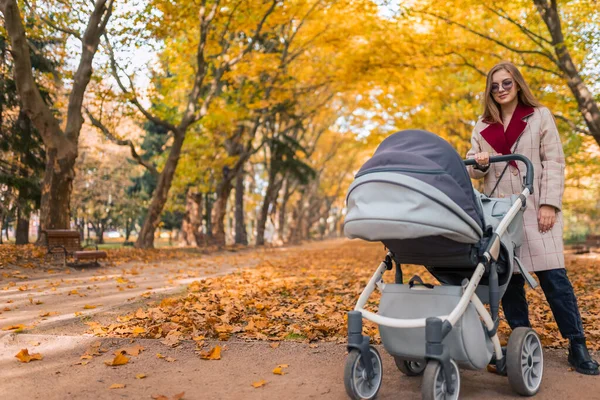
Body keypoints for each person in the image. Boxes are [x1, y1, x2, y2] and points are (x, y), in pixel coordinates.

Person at [466, 61, 599, 376]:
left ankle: (577, 344)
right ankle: (519, 346)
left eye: (506, 83)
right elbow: (471, 168)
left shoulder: (539, 116)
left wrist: (550, 203)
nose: (501, 89)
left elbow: (553, 160)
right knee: (508, 282)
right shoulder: (482, 125)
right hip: (501, 214)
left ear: (517, 84)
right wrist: (479, 161)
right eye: (495, 85)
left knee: (554, 279)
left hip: (537, 206)